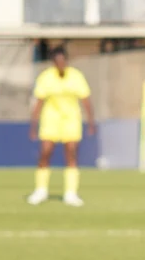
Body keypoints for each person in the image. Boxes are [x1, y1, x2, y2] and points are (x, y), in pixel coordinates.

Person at [27, 47, 96, 207]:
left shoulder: (76, 76)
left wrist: (91, 122)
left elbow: (85, 100)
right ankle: (41, 191)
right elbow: (39, 102)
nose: (60, 64)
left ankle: (70, 193)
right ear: (53, 62)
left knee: (71, 154)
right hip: (50, 119)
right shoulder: (46, 77)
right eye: (57, 61)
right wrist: (33, 125)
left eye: (63, 61)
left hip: (71, 119)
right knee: (45, 153)